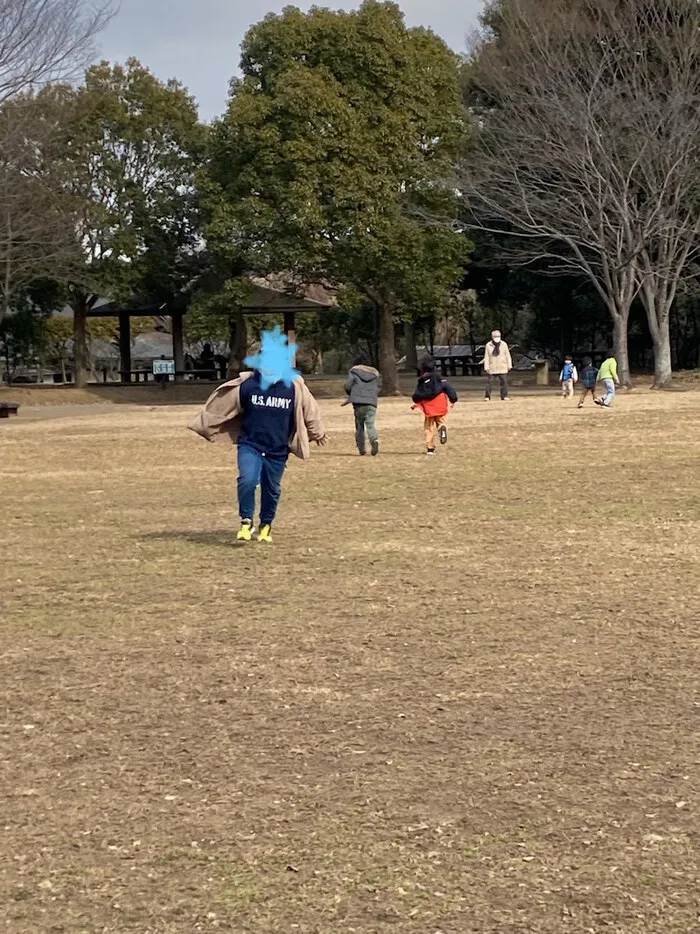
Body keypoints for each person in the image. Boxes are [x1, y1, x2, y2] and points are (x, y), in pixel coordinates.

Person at [188, 369, 327, 543]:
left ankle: (266, 524)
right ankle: (246, 521)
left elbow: (310, 411)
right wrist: (204, 424)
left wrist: (317, 433)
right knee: (248, 480)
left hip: (277, 449)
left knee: (272, 488)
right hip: (250, 444)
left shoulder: (294, 387)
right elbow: (222, 406)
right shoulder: (248, 385)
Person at [411, 356, 458, 455]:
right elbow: (450, 389)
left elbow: (417, 395)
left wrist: (416, 400)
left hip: (428, 407)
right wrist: (453, 399)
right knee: (441, 421)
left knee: (428, 428)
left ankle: (430, 448)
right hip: (440, 404)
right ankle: (442, 427)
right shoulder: (440, 379)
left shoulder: (421, 381)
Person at [343, 359, 380, 456]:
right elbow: (377, 388)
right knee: (370, 424)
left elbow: (348, 386)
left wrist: (351, 393)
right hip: (371, 402)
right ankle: (374, 440)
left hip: (358, 402)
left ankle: (362, 449)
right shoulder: (374, 375)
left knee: (359, 426)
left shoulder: (354, 372)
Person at [483, 330, 513, 401]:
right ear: (492, 337)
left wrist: (509, 365)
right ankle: (487, 396)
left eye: (498, 336)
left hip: (502, 366)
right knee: (489, 383)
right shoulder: (488, 345)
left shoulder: (504, 344)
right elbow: (486, 356)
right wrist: (486, 366)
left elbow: (507, 355)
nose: (497, 338)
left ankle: (504, 396)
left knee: (504, 382)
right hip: (492, 367)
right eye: (495, 336)